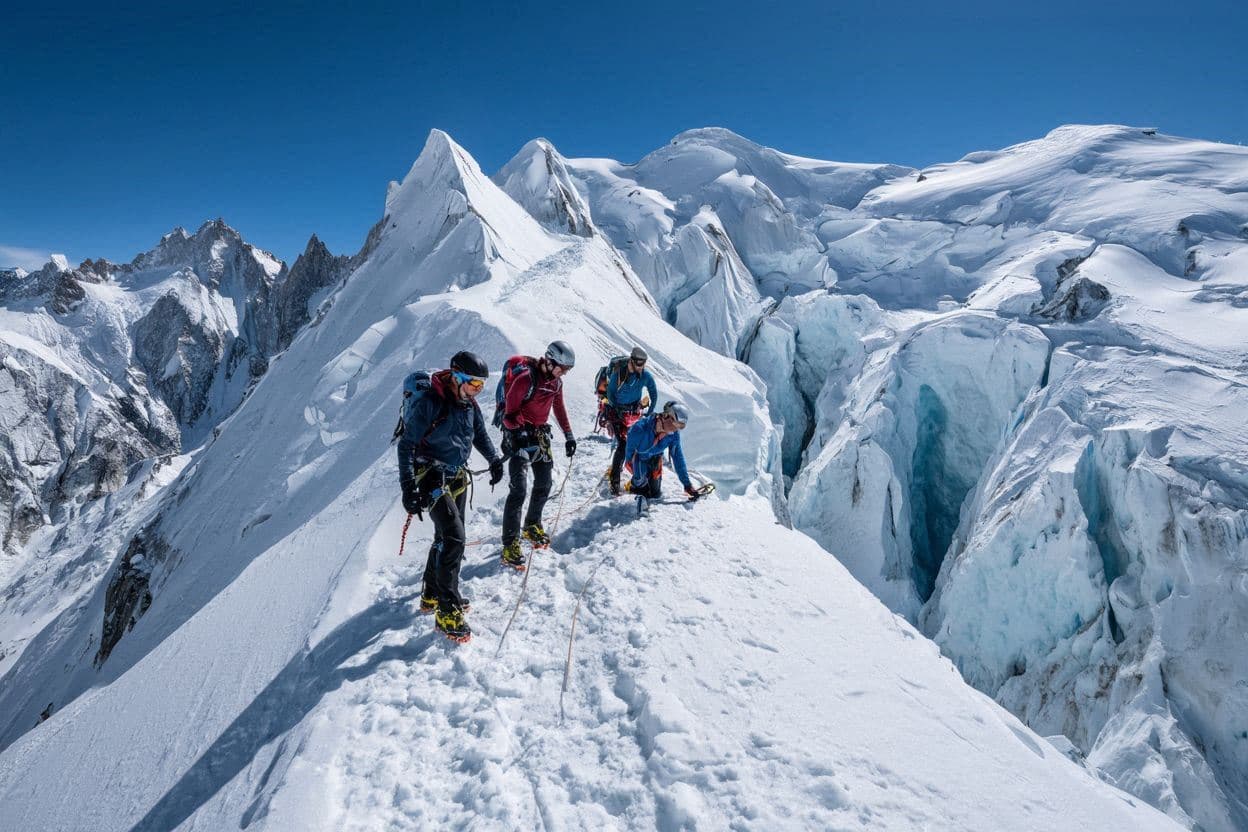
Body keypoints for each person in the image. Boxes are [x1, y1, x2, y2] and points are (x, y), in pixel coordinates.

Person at [397, 351, 504, 643]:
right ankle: (447, 611)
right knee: (455, 538)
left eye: (481, 386)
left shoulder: (469, 405)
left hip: (456, 476)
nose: (477, 390)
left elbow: (479, 435)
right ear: (456, 377)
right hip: (429, 476)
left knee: (445, 537)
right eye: (473, 384)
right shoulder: (431, 403)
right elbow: (406, 446)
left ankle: (432, 593)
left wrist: (494, 459)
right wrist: (408, 487)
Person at [498, 340, 577, 569]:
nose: (564, 373)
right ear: (550, 361)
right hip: (518, 437)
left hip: (539, 436)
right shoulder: (526, 379)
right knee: (519, 490)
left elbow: (559, 409)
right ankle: (510, 544)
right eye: (563, 368)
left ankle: (532, 524)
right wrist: (519, 433)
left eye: (567, 370)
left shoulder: (556, 383)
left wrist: (569, 435)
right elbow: (508, 414)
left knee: (544, 482)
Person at [602, 346, 657, 496]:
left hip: (632, 413)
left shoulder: (644, 375)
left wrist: (650, 411)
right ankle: (614, 481)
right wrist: (616, 408)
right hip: (616, 413)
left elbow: (653, 392)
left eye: (643, 364)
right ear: (631, 361)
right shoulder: (619, 374)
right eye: (638, 364)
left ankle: (638, 478)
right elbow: (610, 393)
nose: (640, 367)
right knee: (623, 445)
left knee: (635, 443)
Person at [622, 400, 700, 504]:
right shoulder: (640, 429)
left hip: (655, 459)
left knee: (655, 494)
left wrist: (687, 485)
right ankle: (634, 484)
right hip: (639, 459)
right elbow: (629, 452)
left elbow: (678, 458)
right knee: (640, 484)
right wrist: (632, 467)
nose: (675, 429)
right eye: (674, 424)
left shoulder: (673, 435)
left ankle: (645, 481)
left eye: (678, 427)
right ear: (665, 416)